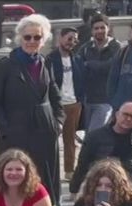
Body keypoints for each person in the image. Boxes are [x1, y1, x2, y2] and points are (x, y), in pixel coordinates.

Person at [0, 14, 64, 206]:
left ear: (43, 39)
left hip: (45, 133)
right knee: (14, 179)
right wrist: (6, 130)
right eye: (27, 37)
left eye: (36, 37)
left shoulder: (45, 62)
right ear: (20, 37)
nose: (31, 41)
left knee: (44, 182)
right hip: (16, 135)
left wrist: (58, 123)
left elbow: (55, 96)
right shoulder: (5, 65)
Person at [69, 102, 132, 197]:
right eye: (125, 114)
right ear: (117, 114)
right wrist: (74, 189)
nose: (128, 119)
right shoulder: (96, 136)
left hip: (131, 184)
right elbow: (83, 164)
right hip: (103, 182)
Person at [49, 26, 85, 180]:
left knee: (70, 140)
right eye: (69, 38)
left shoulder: (76, 58)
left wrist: (80, 100)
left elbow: (82, 80)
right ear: (60, 39)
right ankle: (50, 170)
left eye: (74, 40)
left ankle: (69, 171)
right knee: (51, 139)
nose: (71, 42)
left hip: (74, 104)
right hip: (57, 105)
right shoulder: (50, 59)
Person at [77, 13, 121, 132]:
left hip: (105, 100)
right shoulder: (85, 48)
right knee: (90, 136)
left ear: (108, 28)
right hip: (88, 100)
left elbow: (112, 66)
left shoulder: (117, 47)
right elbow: (78, 66)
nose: (100, 31)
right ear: (92, 31)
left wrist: (89, 64)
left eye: (102, 27)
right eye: (96, 28)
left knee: (93, 134)